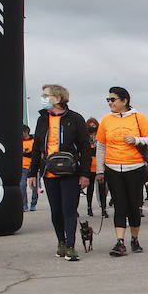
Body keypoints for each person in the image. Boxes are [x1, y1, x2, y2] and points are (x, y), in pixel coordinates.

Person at [28, 83, 93, 262]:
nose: (43, 98)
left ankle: (71, 246)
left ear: (58, 98)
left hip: (70, 172)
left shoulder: (76, 118)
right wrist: (32, 173)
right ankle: (61, 242)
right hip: (49, 172)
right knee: (56, 210)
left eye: (46, 95)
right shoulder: (42, 119)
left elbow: (85, 148)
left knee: (69, 209)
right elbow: (36, 147)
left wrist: (85, 174)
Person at [96, 86, 148, 257]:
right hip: (113, 167)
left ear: (124, 101)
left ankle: (134, 238)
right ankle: (120, 242)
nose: (110, 103)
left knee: (133, 206)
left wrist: (136, 139)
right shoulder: (106, 120)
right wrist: (100, 170)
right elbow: (101, 146)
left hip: (135, 167)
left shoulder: (139, 117)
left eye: (113, 99)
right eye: (108, 100)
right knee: (119, 204)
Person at [82, 117, 109, 218]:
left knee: (103, 189)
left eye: (94, 125)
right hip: (89, 167)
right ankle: (89, 207)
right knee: (90, 188)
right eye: (90, 125)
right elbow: (86, 151)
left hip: (100, 167)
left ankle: (103, 208)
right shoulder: (85, 138)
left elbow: (102, 150)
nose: (92, 127)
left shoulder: (100, 137)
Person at [19, 125, 37, 212]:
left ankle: (33, 203)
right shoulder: (19, 142)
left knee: (34, 186)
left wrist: (24, 153)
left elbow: (34, 153)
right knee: (22, 185)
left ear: (25, 132)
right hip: (23, 167)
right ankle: (24, 205)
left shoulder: (34, 141)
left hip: (33, 166)